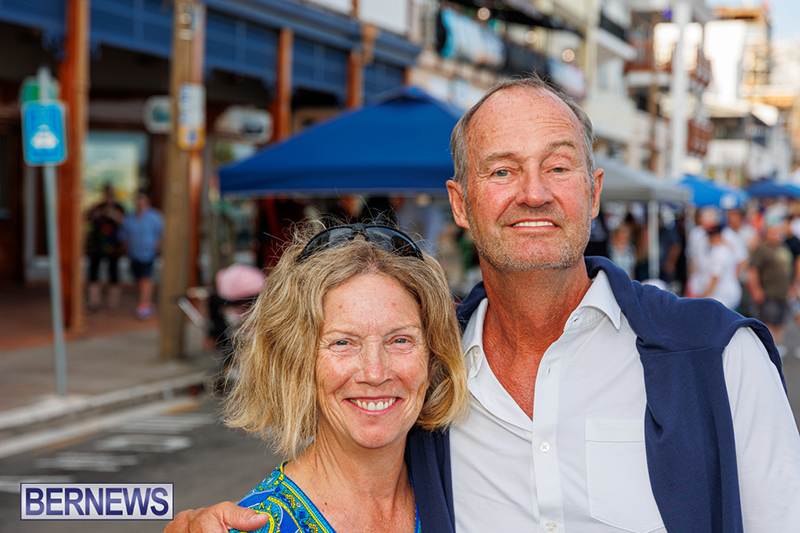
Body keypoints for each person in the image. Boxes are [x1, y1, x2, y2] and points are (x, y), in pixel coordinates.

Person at [168, 75, 800, 532]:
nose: (532, 193)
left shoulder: (719, 359)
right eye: (500, 171)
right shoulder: (430, 381)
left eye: (557, 167)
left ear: (594, 190)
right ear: (461, 203)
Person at [169, 222, 467, 533]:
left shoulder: (464, 494)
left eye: (400, 340)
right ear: (297, 361)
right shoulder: (262, 526)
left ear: (434, 355)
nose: (375, 372)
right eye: (343, 342)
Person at [748, 209, 794, 357]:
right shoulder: (762, 248)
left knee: (780, 322)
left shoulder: (782, 247)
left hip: (782, 293)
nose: (777, 233)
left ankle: (777, 349)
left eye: (778, 230)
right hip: (769, 293)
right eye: (774, 231)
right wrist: (756, 290)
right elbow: (753, 270)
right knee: (769, 323)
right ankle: (769, 352)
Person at [121, 190, 164, 319]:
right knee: (139, 279)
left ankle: (145, 305)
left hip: (148, 253)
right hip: (134, 254)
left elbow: (162, 234)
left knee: (146, 279)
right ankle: (145, 302)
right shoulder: (129, 218)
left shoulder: (155, 217)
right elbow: (124, 235)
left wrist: (158, 246)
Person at [85, 183, 126, 312]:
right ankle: (94, 302)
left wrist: (111, 214)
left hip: (113, 247)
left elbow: (123, 222)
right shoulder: (97, 207)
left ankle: (113, 304)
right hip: (97, 246)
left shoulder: (119, 208)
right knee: (93, 273)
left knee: (113, 273)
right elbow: (88, 219)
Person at [701, 225, 741, 310]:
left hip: (722, 293)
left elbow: (715, 276)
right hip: (731, 288)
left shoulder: (719, 252)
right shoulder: (728, 248)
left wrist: (704, 296)